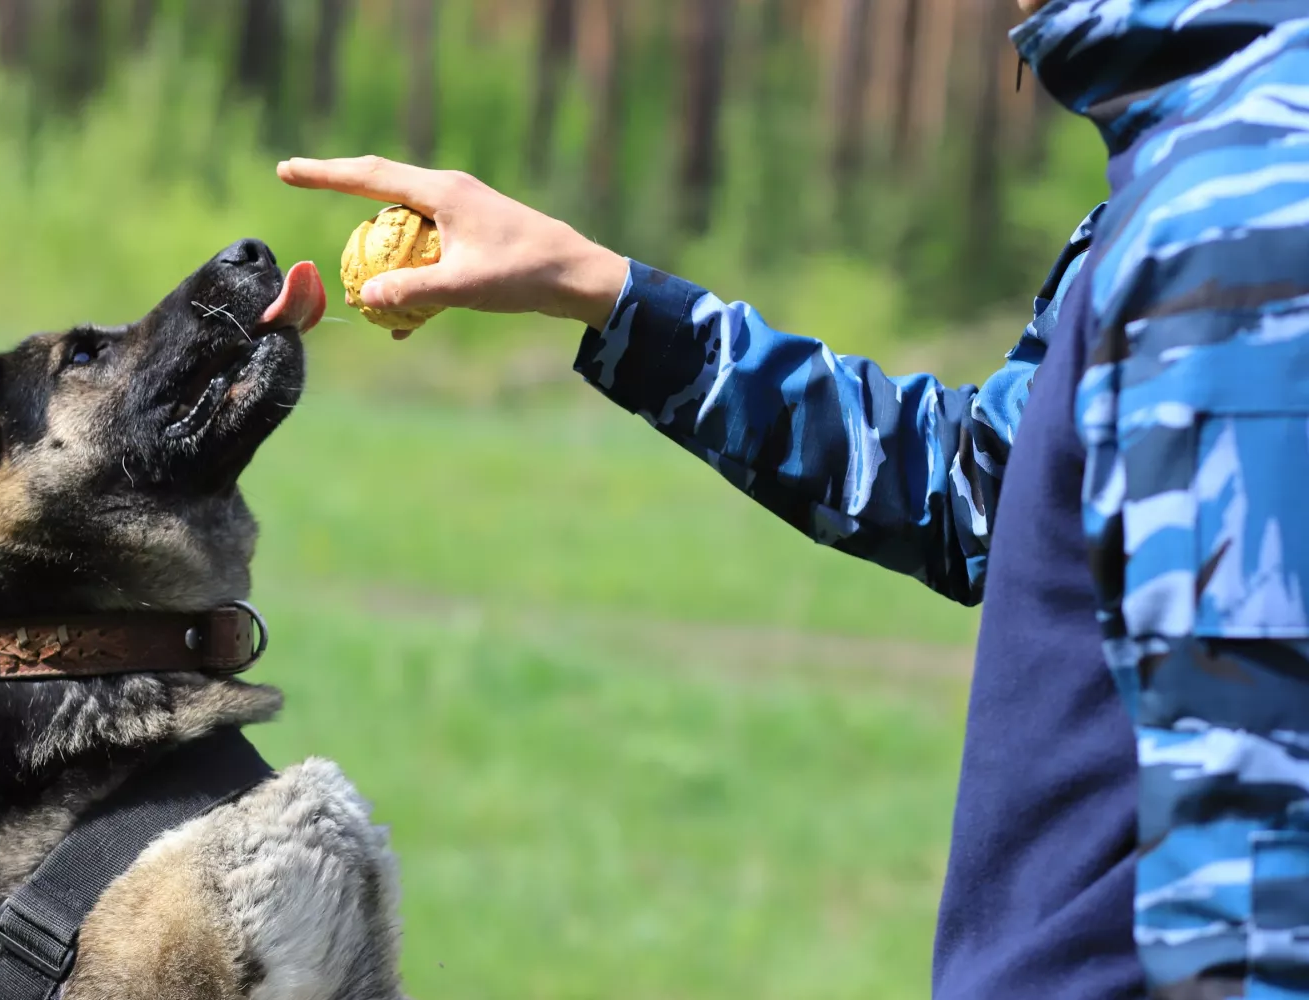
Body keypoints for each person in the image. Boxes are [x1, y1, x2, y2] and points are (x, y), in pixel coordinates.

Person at [279, 1, 1309, 997]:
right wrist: (599, 288)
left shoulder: (1237, 202)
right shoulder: (1198, 150)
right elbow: (978, 489)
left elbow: (1262, 861)